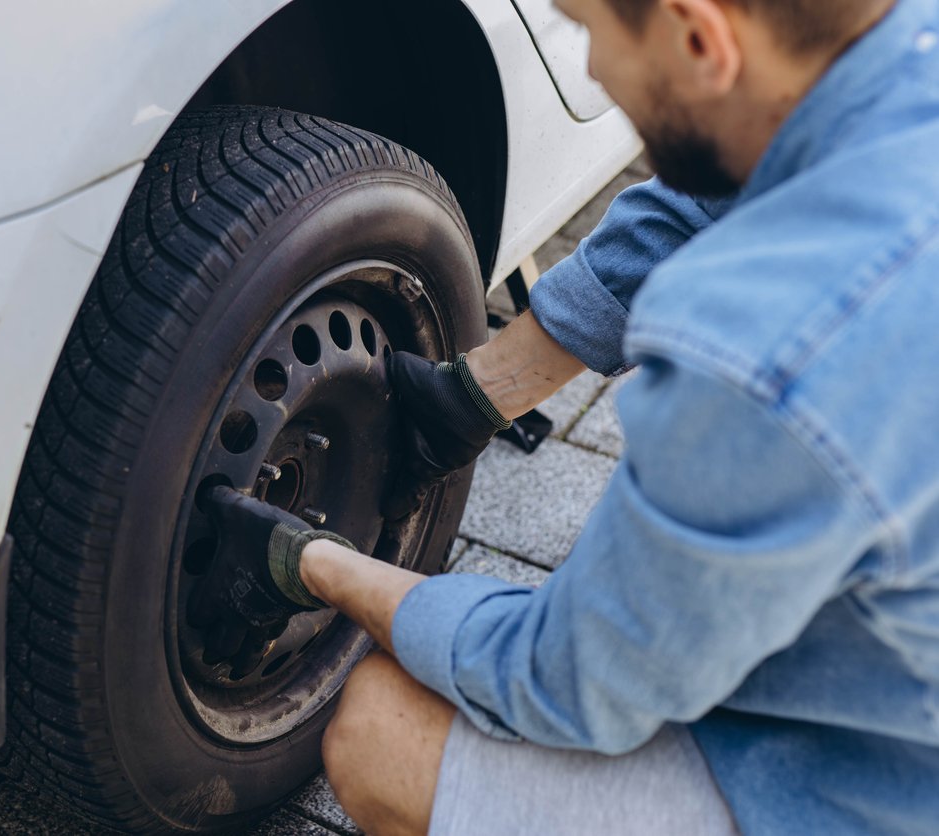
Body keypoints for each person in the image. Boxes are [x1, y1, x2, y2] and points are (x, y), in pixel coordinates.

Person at [188, 0, 939, 832]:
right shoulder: (892, 54)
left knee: (381, 729)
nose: (590, 73)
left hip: (889, 792)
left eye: (588, 30)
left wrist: (313, 564)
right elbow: (698, 203)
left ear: (700, 39)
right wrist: (469, 399)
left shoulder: (765, 354)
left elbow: (566, 686)